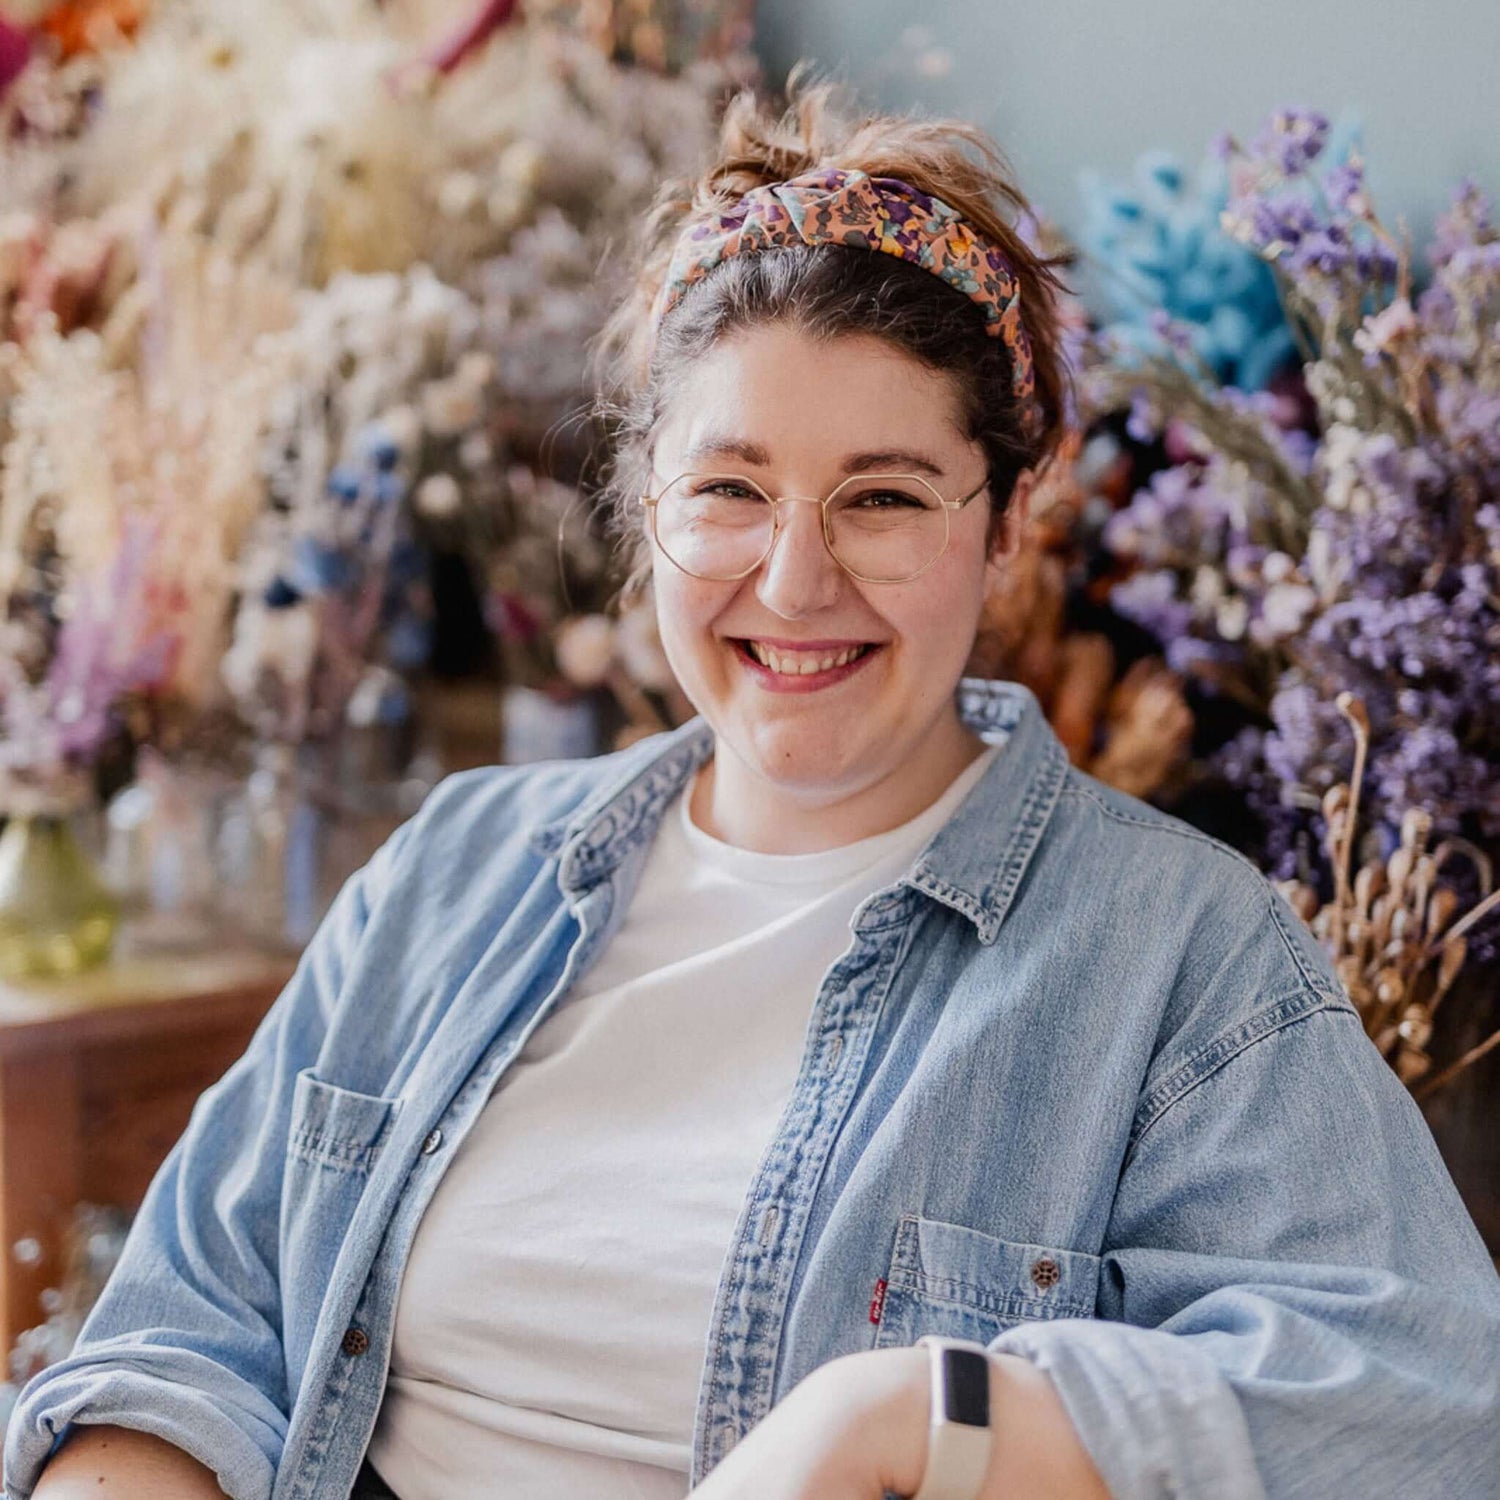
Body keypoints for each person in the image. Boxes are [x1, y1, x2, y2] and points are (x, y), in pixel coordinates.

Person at [6, 76, 1499, 1500]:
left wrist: (904, 1418)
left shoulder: (1178, 954)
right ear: (645, 499)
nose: (795, 582)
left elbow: (1424, 1402)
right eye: (728, 491)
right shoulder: (460, 864)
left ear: (1009, 521)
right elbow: (177, 1344)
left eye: (884, 496)